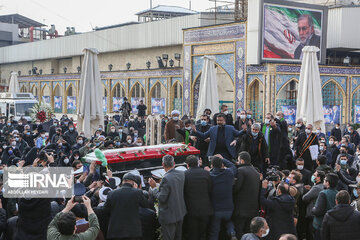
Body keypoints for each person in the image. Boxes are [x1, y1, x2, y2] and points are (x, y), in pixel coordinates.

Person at [148, 155, 187, 240]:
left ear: (163, 164)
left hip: (169, 215)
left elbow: (162, 198)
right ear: (174, 163)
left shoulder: (166, 179)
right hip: (180, 212)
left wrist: (154, 188)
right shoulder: (182, 174)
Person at [103, 172, 149, 240]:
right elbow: (146, 205)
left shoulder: (111, 193)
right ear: (133, 182)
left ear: (123, 181)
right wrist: (137, 190)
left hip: (115, 232)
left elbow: (105, 210)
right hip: (133, 232)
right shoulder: (137, 192)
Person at [208, 155, 238, 240]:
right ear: (222, 164)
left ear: (212, 165)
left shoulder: (210, 176)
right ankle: (232, 232)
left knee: (214, 231)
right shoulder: (228, 173)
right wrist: (222, 159)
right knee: (228, 221)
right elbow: (232, 166)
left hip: (216, 209)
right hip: (229, 207)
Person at [183, 155, 213, 240]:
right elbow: (210, 189)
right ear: (197, 163)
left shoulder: (185, 174)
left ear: (187, 165)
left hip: (191, 209)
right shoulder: (206, 173)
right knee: (203, 233)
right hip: (205, 208)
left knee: (193, 233)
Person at [233, 151, 260, 239]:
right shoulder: (255, 172)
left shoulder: (241, 170)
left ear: (242, 161)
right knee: (249, 232)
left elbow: (237, 188)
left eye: (238, 160)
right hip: (253, 209)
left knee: (239, 231)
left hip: (241, 209)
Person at [312, 173, 339, 240]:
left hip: (321, 225)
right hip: (333, 225)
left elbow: (318, 211)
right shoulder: (337, 193)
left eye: (325, 180)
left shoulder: (323, 193)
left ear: (328, 182)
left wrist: (313, 209)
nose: (323, 181)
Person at [302, 170, 325, 240]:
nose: (313, 176)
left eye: (314, 175)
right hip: (320, 214)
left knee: (311, 234)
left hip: (312, 214)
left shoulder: (316, 188)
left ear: (318, 178)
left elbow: (305, 198)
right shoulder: (322, 186)